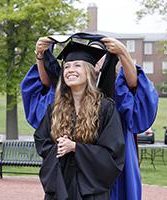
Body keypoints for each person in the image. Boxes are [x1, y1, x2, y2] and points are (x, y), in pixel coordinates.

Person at [21, 33, 158, 200]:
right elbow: (46, 85)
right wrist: (40, 55)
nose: (96, 59)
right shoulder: (62, 100)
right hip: (69, 175)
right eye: (68, 66)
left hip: (106, 161)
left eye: (99, 54)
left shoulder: (113, 93)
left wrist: (123, 52)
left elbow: (135, 87)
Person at [34, 41, 125, 200]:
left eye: (77, 65)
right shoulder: (55, 109)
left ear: (89, 72)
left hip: (90, 191)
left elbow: (113, 154)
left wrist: (76, 148)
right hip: (60, 186)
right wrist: (58, 147)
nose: (70, 70)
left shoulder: (104, 108)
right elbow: (42, 141)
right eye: (67, 66)